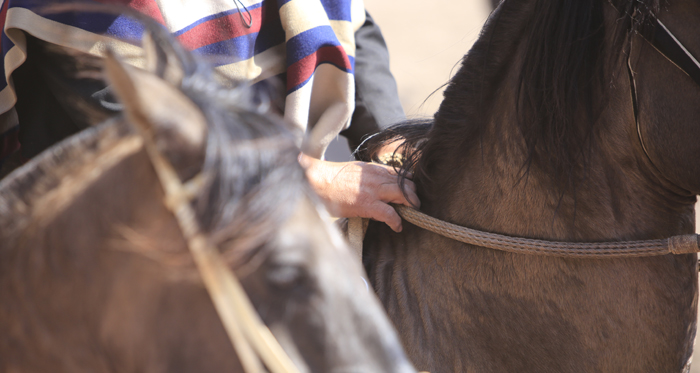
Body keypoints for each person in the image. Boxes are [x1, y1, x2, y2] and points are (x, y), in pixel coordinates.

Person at [0, 0, 419, 232]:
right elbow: (160, 141)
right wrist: (312, 180)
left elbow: (348, 24)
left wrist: (390, 135)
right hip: (133, 240)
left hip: (296, 193)